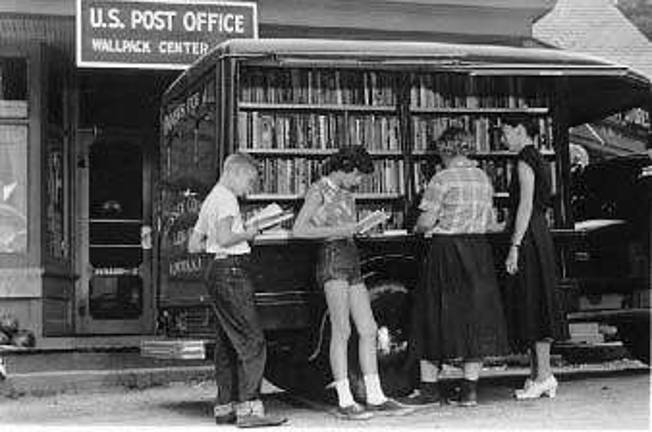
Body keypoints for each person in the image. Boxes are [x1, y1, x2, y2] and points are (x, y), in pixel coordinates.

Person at [292, 146, 412, 420]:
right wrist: (343, 230)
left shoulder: (346, 192)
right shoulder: (318, 190)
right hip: (332, 257)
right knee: (342, 329)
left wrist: (361, 227)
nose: (358, 182)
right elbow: (300, 229)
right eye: (357, 176)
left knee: (368, 329)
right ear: (345, 169)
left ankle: (375, 396)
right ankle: (345, 401)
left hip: (351, 256)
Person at [401, 127, 509, 408]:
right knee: (474, 317)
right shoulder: (483, 178)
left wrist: (418, 226)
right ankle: (470, 390)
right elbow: (489, 222)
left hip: (447, 251)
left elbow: (426, 222)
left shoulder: (442, 178)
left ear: (444, 150)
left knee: (432, 314)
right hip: (478, 251)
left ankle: (429, 390)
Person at [189, 153, 287, 428]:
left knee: (227, 343)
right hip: (232, 271)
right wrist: (250, 231)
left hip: (215, 271)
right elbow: (224, 238)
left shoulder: (211, 199)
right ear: (234, 172)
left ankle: (225, 408)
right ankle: (250, 411)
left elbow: (194, 244)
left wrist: (231, 234)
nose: (249, 188)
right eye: (249, 180)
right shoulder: (226, 198)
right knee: (252, 340)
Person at [500, 116, 560, 399]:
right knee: (537, 300)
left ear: (520, 130)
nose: (503, 138)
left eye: (505, 132)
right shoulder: (539, 158)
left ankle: (544, 375)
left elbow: (525, 203)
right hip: (539, 232)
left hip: (528, 236)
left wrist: (515, 244)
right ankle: (538, 375)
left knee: (532, 302)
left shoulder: (524, 159)